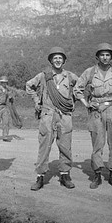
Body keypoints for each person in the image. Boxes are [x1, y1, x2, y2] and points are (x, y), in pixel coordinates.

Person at [74, 43, 112, 189]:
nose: (105, 57)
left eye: (108, 55)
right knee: (97, 143)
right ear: (97, 57)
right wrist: (87, 104)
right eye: (102, 55)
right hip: (96, 110)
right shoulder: (89, 72)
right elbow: (77, 89)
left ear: (111, 57)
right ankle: (97, 174)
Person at [26, 47, 78, 191]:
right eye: (55, 58)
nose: (57, 60)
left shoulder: (70, 76)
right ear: (50, 60)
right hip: (47, 115)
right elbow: (29, 86)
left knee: (65, 146)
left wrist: (72, 102)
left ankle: (65, 175)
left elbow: (81, 87)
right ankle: (40, 177)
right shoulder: (43, 76)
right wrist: (37, 101)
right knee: (44, 146)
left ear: (64, 61)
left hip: (64, 116)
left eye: (60, 58)